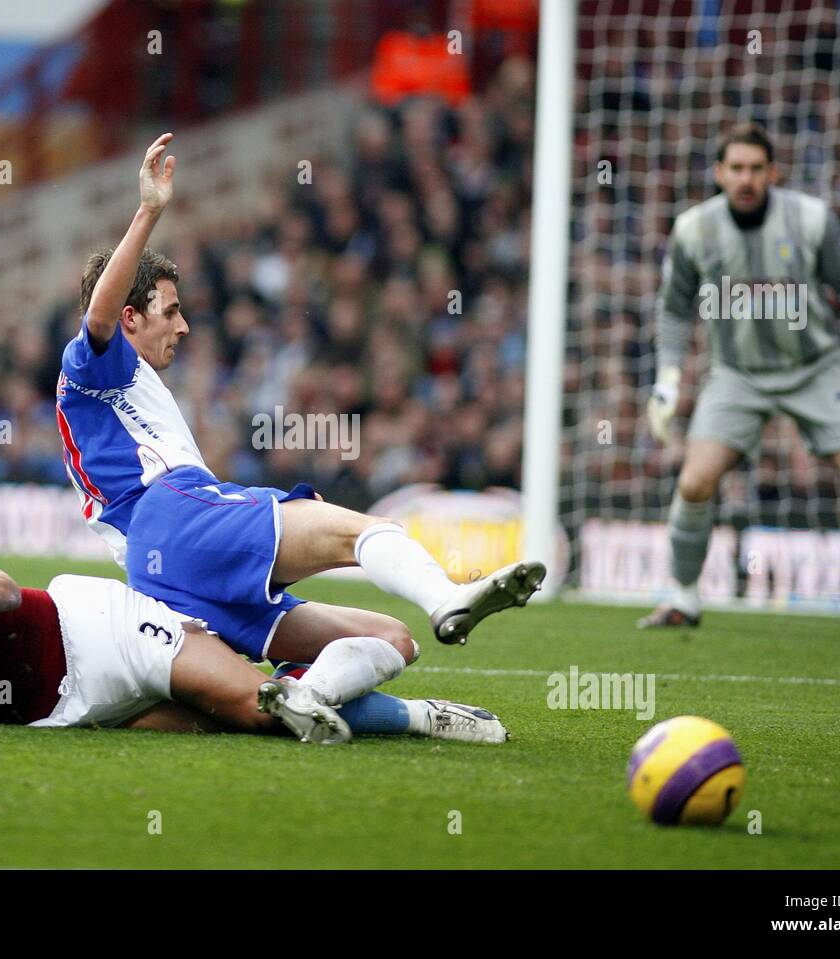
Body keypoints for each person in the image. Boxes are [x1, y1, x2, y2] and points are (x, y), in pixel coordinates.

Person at [55, 133, 546, 700]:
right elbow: (98, 316)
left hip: (164, 575)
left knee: (391, 638)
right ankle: (447, 598)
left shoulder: (121, 391)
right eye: (171, 311)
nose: (184, 326)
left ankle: (310, 699)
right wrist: (148, 211)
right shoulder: (94, 365)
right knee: (361, 531)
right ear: (130, 318)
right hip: (176, 520)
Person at [0, 511, 509, 744]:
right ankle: (407, 698)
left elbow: (5, 591)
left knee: (261, 704)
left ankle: (411, 696)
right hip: (62, 709)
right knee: (258, 721)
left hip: (88, 628)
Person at [642, 122, 840, 635]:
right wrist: (668, 378)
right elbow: (674, 309)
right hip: (736, 374)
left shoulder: (811, 220)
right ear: (719, 173)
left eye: (756, 169)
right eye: (736, 169)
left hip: (816, 369)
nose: (746, 179)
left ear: (773, 172)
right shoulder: (694, 229)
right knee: (695, 481)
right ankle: (682, 598)